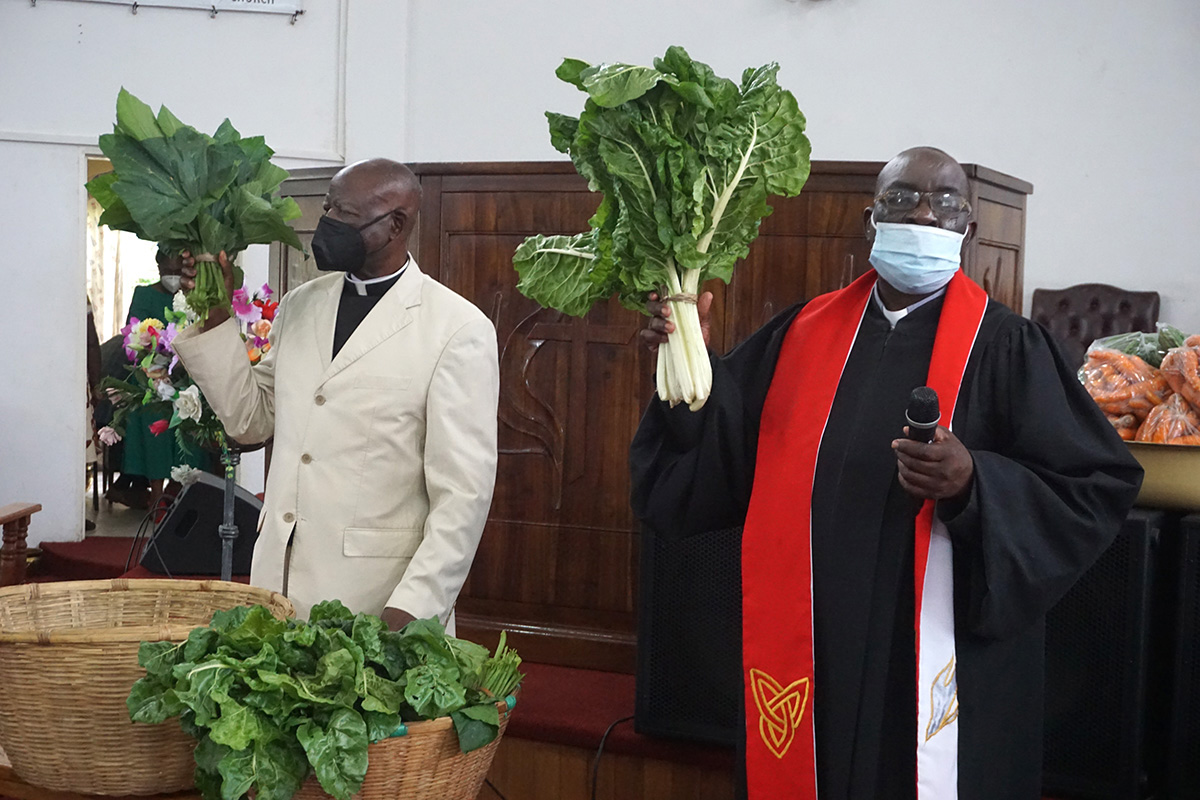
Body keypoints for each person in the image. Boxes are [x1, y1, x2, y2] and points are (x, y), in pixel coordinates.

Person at [629, 147, 1143, 800]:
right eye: (903, 198)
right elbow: (718, 452)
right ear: (870, 217)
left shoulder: (1009, 348)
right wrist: (687, 363)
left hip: (937, 658)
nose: (925, 212)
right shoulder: (801, 334)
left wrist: (974, 483)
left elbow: (1093, 489)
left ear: (970, 228)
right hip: (816, 641)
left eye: (946, 201)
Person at [173, 158, 500, 631]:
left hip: (376, 598)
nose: (327, 224)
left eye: (343, 214)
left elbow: (463, 495)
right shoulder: (300, 304)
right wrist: (218, 315)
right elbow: (251, 420)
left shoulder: (455, 328)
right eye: (328, 208)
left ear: (395, 225)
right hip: (277, 583)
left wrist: (416, 606)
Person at [111, 251, 206, 510]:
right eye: (169, 270)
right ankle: (155, 497)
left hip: (187, 375)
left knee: (189, 428)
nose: (174, 277)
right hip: (153, 375)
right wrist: (156, 360)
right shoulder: (144, 295)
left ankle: (187, 496)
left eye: (179, 270)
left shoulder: (192, 295)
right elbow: (134, 334)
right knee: (154, 429)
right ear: (159, 266)